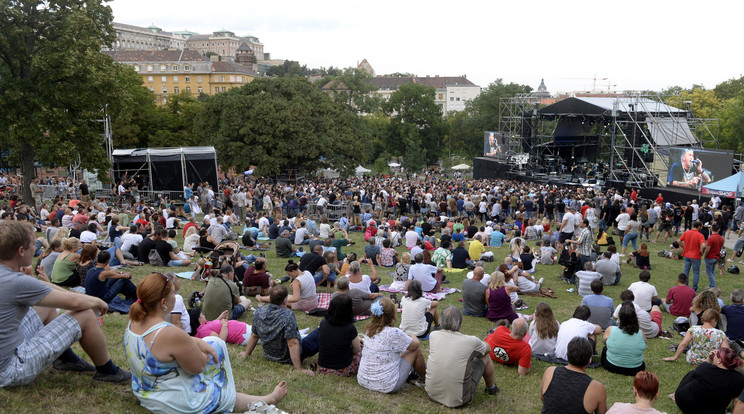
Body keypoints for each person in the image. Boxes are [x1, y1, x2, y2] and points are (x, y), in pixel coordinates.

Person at [0, 220, 131, 387]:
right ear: (20, 251)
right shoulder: (16, 282)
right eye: (32, 245)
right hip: (9, 370)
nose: (35, 249)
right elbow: (75, 302)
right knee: (84, 313)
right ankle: (108, 370)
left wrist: (83, 297)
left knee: (45, 307)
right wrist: (97, 301)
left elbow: (42, 288)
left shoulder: (10, 276)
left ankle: (67, 360)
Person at [425, 306, 498, 407]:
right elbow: (488, 349)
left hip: (431, 393)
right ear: (460, 323)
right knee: (485, 356)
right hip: (459, 400)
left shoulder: (433, 335)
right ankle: (491, 388)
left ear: (441, 321)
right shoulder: (471, 341)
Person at [240, 285, 318, 375]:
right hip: (287, 357)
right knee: (320, 331)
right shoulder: (287, 315)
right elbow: (292, 343)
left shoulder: (259, 311)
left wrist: (246, 353)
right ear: (285, 300)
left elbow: (254, 335)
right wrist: (299, 369)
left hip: (269, 355)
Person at [357, 298, 427, 393]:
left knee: (400, 352)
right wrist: (412, 335)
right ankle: (422, 379)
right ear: (392, 314)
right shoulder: (394, 333)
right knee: (416, 351)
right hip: (386, 385)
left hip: (363, 379)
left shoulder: (369, 329)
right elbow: (415, 345)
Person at [541, 337, 608, 414]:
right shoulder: (597, 387)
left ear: (567, 355)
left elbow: (543, 397)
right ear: (589, 360)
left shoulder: (550, 371)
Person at [671, 347, 744, 414]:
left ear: (719, 360)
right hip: (713, 412)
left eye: (716, 355)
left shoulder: (705, 369)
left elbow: (703, 366)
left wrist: (710, 358)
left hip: (685, 404)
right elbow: (736, 399)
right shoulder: (739, 378)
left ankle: (674, 395)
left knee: (692, 373)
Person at [317, 294, 363, 376]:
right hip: (342, 369)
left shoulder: (323, 322)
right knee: (362, 351)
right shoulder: (349, 328)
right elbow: (357, 350)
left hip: (322, 367)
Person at [664, 309, 728, 365]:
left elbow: (683, 344)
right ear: (714, 320)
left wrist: (674, 357)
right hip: (712, 362)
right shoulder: (720, 334)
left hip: (693, 360)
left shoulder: (693, 329)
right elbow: (726, 350)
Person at [601, 301, 647, 376]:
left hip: (612, 366)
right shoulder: (641, 333)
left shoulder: (610, 329)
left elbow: (604, 342)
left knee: (605, 349)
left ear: (620, 318)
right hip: (636, 369)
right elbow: (644, 345)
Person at [679, 221, 706, 291]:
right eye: (701, 226)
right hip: (696, 256)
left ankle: (685, 285)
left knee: (686, 271)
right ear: (699, 226)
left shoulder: (687, 232)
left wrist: (684, 247)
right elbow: (703, 245)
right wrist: (702, 251)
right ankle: (694, 288)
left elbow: (679, 241)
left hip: (687, 254)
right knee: (696, 272)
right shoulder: (700, 235)